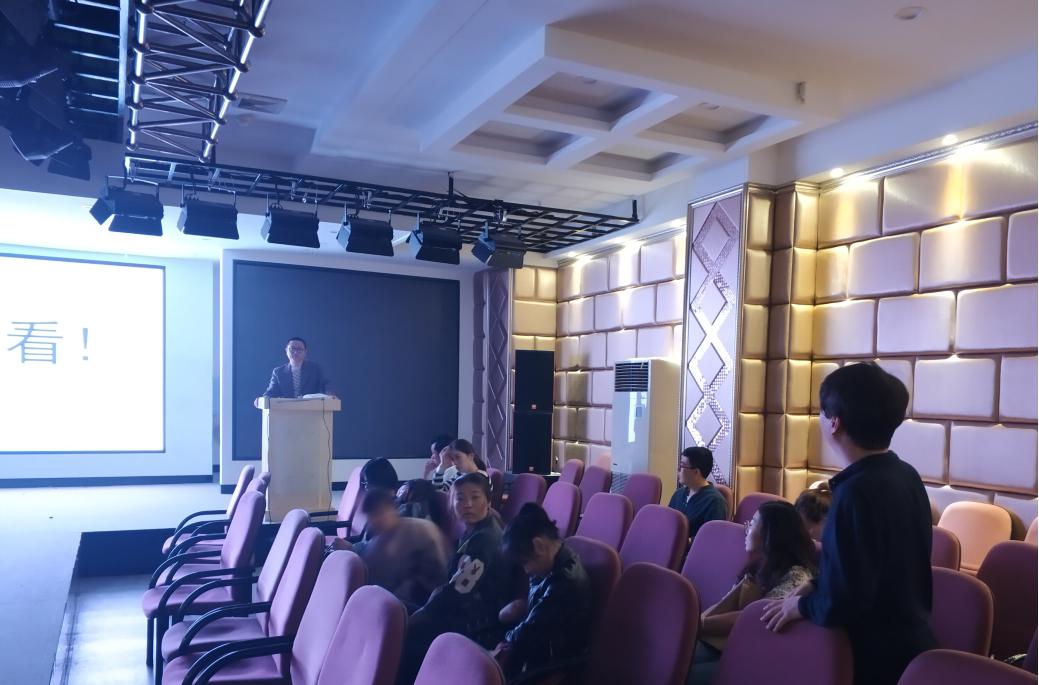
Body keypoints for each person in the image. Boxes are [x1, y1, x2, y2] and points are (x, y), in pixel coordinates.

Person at [761, 363, 936, 685]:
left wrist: (801, 606)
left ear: (834, 423)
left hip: (869, 658)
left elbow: (844, 604)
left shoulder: (855, 493)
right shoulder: (906, 474)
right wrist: (817, 584)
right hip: (911, 645)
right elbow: (877, 565)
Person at [396, 472, 514, 684]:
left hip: (476, 622)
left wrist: (422, 614)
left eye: (475, 497)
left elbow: (458, 592)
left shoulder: (486, 540)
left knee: (404, 633)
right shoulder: (473, 531)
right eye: (460, 498)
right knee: (396, 609)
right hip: (458, 609)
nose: (468, 504)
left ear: (488, 501)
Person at [494, 503, 593, 678]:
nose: (526, 570)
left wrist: (502, 642)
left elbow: (527, 634)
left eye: (525, 563)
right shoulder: (551, 562)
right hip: (539, 647)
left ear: (539, 545)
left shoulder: (565, 582)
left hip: (553, 665)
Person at [354, 488, 451, 609]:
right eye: (371, 517)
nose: (376, 521)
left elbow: (438, 577)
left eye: (380, 513)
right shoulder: (377, 540)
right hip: (384, 599)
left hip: (420, 603)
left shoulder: (420, 531)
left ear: (393, 509)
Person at [668, 446, 728, 541]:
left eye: (682, 466)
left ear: (696, 472)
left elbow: (713, 537)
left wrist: (683, 542)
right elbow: (668, 523)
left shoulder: (715, 501)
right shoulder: (678, 494)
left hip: (692, 549)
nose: (678, 470)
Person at [256, 337, 334, 401]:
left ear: (305, 352)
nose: (296, 352)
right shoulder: (278, 372)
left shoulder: (315, 368)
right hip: (287, 410)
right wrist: (262, 399)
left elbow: (326, 384)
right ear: (286, 351)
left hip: (311, 408)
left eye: (300, 349)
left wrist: (330, 395)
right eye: (292, 349)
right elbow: (271, 391)